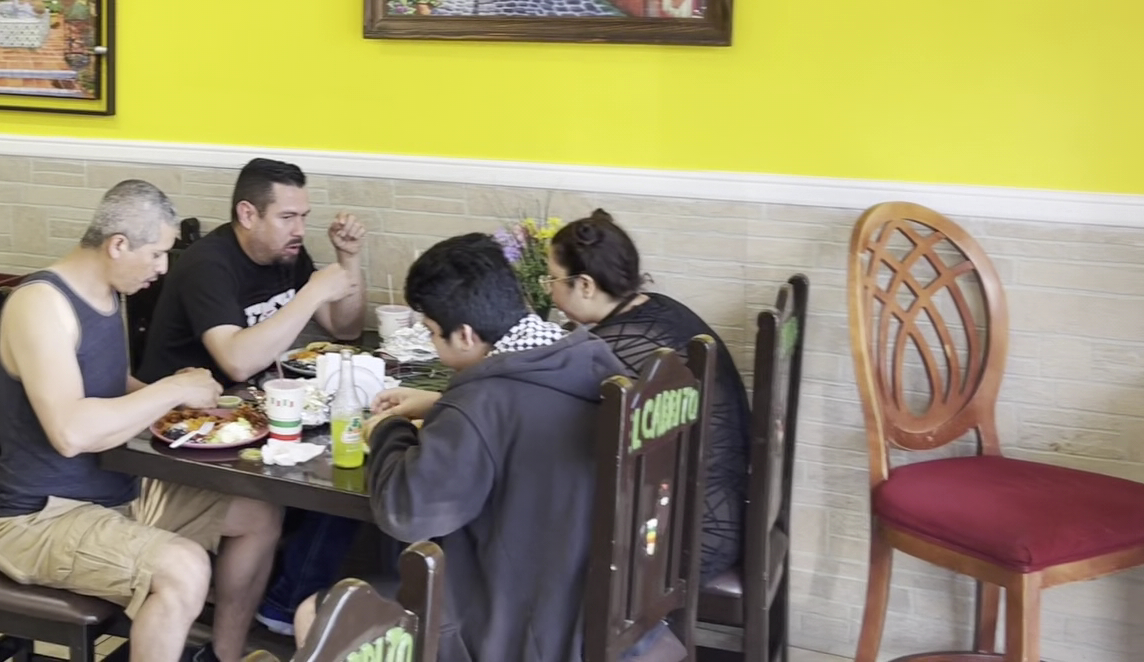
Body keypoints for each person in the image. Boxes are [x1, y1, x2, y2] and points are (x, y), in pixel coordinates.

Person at [292, 233, 649, 662]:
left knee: (317, 613)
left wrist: (388, 430)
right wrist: (442, 403)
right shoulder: (588, 359)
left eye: (431, 333)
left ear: (464, 335)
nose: (432, 343)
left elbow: (409, 513)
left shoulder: (480, 403)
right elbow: (522, 418)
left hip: (510, 624)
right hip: (588, 604)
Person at [0, 180, 282, 662]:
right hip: (41, 519)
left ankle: (224, 657)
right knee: (185, 568)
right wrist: (172, 391)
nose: (163, 268)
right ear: (118, 245)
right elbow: (70, 432)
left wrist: (185, 403)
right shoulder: (40, 305)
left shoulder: (109, 294)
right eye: (158, 254)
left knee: (258, 512)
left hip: (118, 496)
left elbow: (110, 382)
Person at [131, 157, 367, 636]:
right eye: (288, 217)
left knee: (356, 459)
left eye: (303, 216)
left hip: (245, 418)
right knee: (331, 476)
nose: (299, 229)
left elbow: (345, 328)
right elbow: (237, 361)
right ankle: (280, 607)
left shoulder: (286, 254)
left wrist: (347, 261)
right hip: (178, 433)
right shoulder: (209, 265)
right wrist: (311, 293)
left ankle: (283, 603)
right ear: (247, 214)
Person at [547, 209, 751, 583]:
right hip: (727, 512)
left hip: (690, 540)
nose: (550, 290)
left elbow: (554, 428)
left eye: (553, 279)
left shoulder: (613, 349)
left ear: (586, 285)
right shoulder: (659, 309)